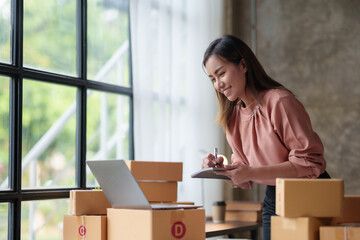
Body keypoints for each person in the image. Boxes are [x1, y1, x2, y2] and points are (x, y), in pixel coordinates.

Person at [201, 35, 330, 240]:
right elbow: (244, 177)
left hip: (310, 193)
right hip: (274, 197)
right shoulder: (232, 117)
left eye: (221, 73)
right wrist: (221, 169)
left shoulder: (280, 102)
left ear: (243, 64)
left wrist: (250, 172)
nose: (218, 85)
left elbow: (310, 162)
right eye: (212, 79)